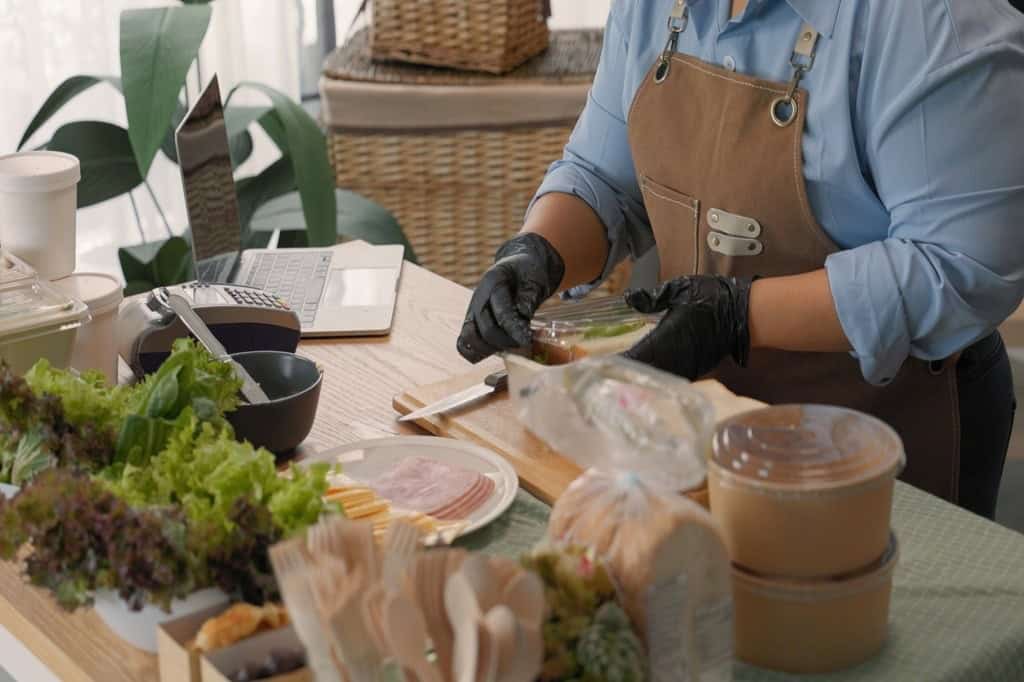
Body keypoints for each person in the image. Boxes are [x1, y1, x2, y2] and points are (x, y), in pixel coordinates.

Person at [457, 0, 1024, 519]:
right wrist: (538, 251)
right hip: (700, 419)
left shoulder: (928, 18)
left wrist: (737, 316)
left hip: (885, 430)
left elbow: (956, 267)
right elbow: (602, 175)